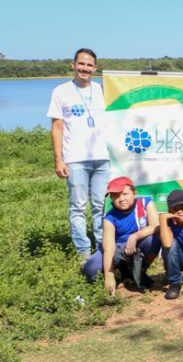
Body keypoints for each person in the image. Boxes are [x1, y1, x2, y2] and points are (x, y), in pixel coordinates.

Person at [48, 48, 110, 259]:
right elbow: (57, 127)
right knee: (78, 207)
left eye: (89, 65)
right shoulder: (61, 91)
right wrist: (59, 159)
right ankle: (83, 252)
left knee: (101, 205)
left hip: (103, 158)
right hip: (75, 159)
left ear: (95, 68)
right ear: (73, 64)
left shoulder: (103, 90)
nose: (85, 68)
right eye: (81, 64)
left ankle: (104, 248)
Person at [81, 177, 160, 295]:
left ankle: (139, 271)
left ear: (134, 193)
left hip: (139, 243)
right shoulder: (109, 218)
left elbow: (156, 226)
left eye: (125, 194)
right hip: (118, 249)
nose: (121, 199)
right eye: (115, 195)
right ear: (111, 198)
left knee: (155, 239)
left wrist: (134, 236)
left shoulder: (146, 203)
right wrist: (109, 276)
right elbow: (109, 248)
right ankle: (123, 271)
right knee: (89, 269)